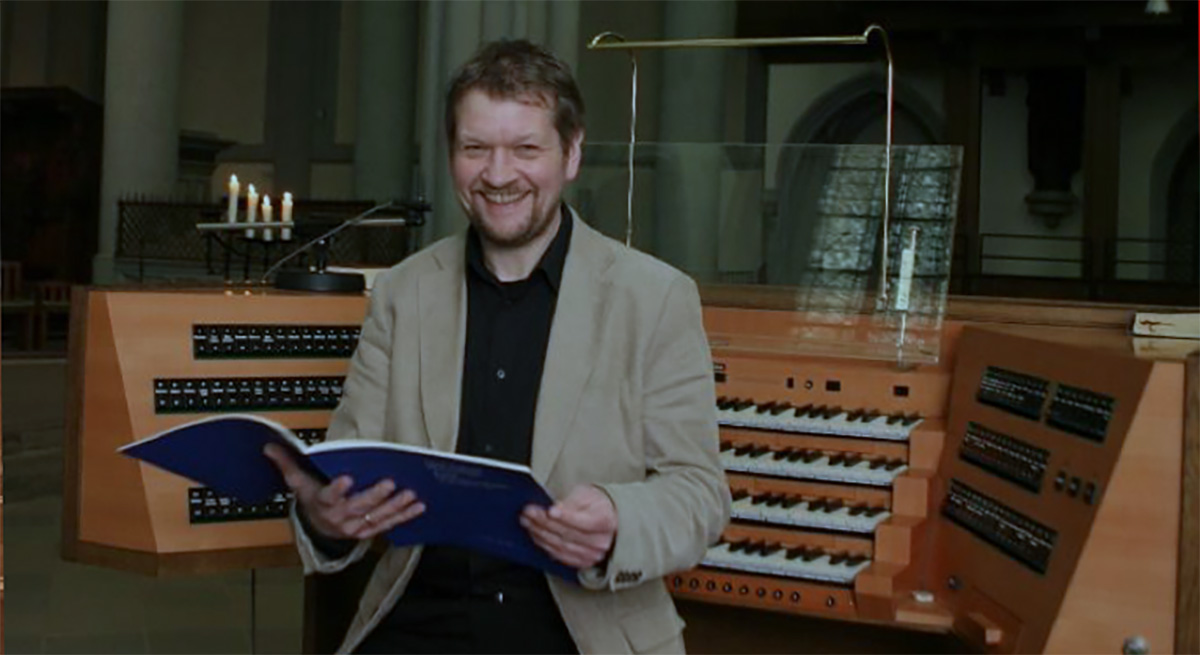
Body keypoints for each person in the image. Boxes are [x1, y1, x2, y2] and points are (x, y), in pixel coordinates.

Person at [265, 38, 730, 655]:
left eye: (526, 149)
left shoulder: (656, 297)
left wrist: (619, 520)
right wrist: (326, 520)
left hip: (578, 631)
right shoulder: (404, 292)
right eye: (475, 148)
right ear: (452, 155)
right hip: (418, 621)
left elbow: (700, 495)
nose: (498, 174)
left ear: (572, 154)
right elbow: (353, 470)